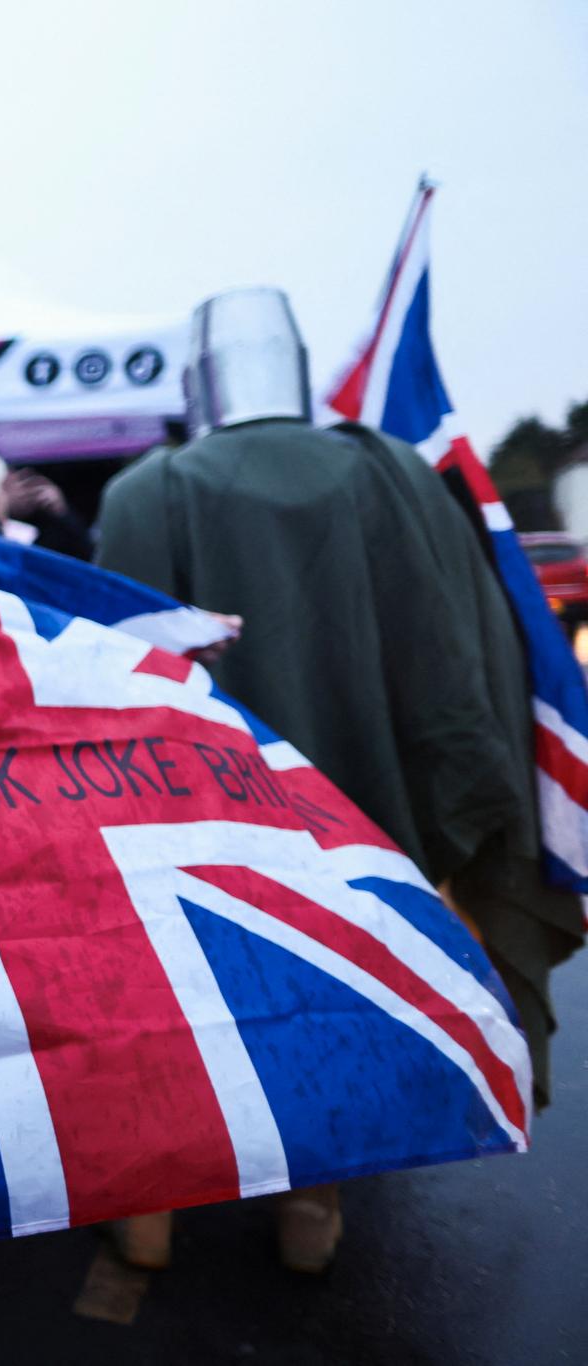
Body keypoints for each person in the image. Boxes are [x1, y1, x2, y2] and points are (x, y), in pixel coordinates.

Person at [94, 286, 582, 1272]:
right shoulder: (387, 473)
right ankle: (308, 1202)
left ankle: (157, 1205)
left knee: (186, 995)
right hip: (363, 817)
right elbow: (452, 651)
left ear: (199, 374)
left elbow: (115, 688)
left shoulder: (145, 490)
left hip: (197, 824)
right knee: (334, 996)